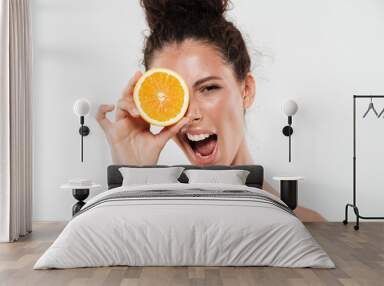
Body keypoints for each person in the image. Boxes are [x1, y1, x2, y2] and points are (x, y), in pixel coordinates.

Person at [96, 0, 324, 221]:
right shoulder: (160, 220)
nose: (192, 112)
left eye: (208, 88)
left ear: (246, 91)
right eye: (175, 97)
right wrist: (135, 172)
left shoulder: (308, 225)